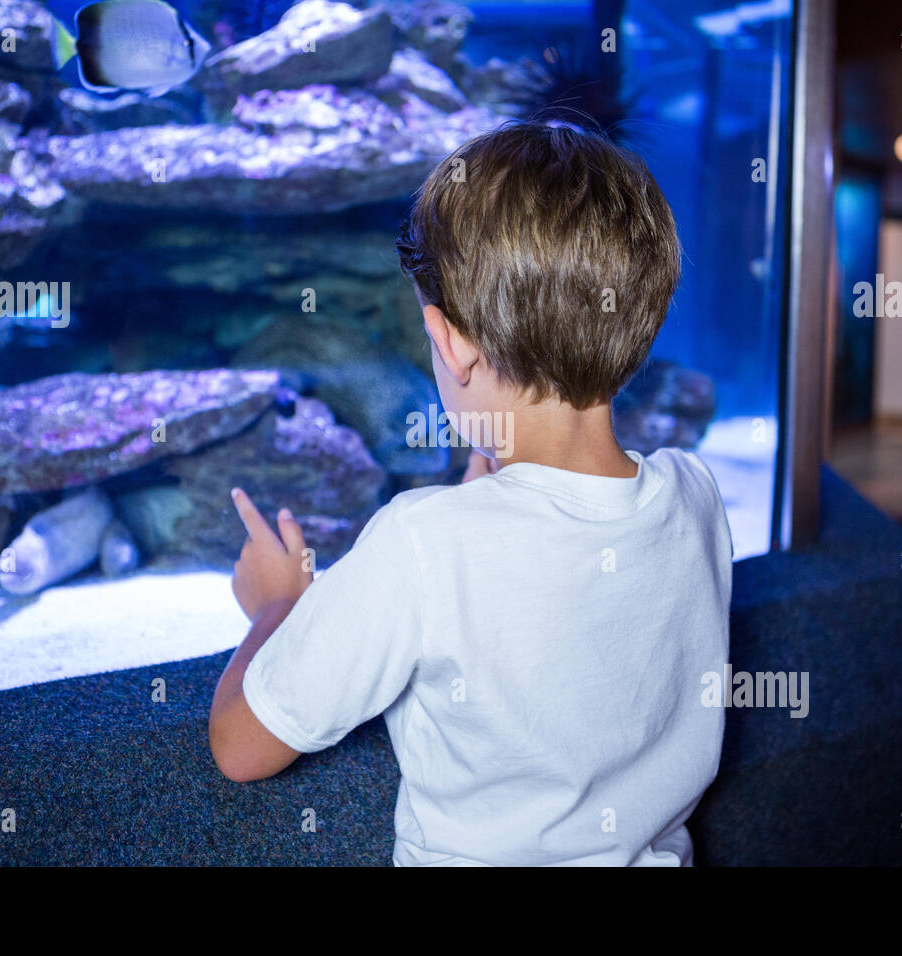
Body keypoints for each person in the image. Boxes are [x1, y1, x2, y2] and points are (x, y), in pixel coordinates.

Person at [209, 121, 732, 866]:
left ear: (447, 340)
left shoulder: (422, 545)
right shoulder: (697, 494)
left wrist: (278, 605)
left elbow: (240, 746)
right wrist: (486, 477)